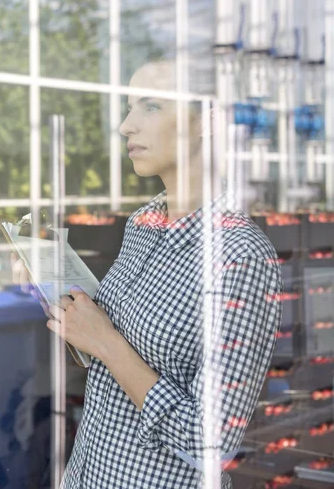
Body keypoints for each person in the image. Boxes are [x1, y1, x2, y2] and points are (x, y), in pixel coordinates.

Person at [16, 60, 283, 489]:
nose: (125, 126)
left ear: (208, 120)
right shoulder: (143, 223)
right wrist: (53, 290)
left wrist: (108, 343)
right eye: (128, 108)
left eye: (151, 107)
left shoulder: (240, 254)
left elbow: (210, 444)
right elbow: (103, 352)